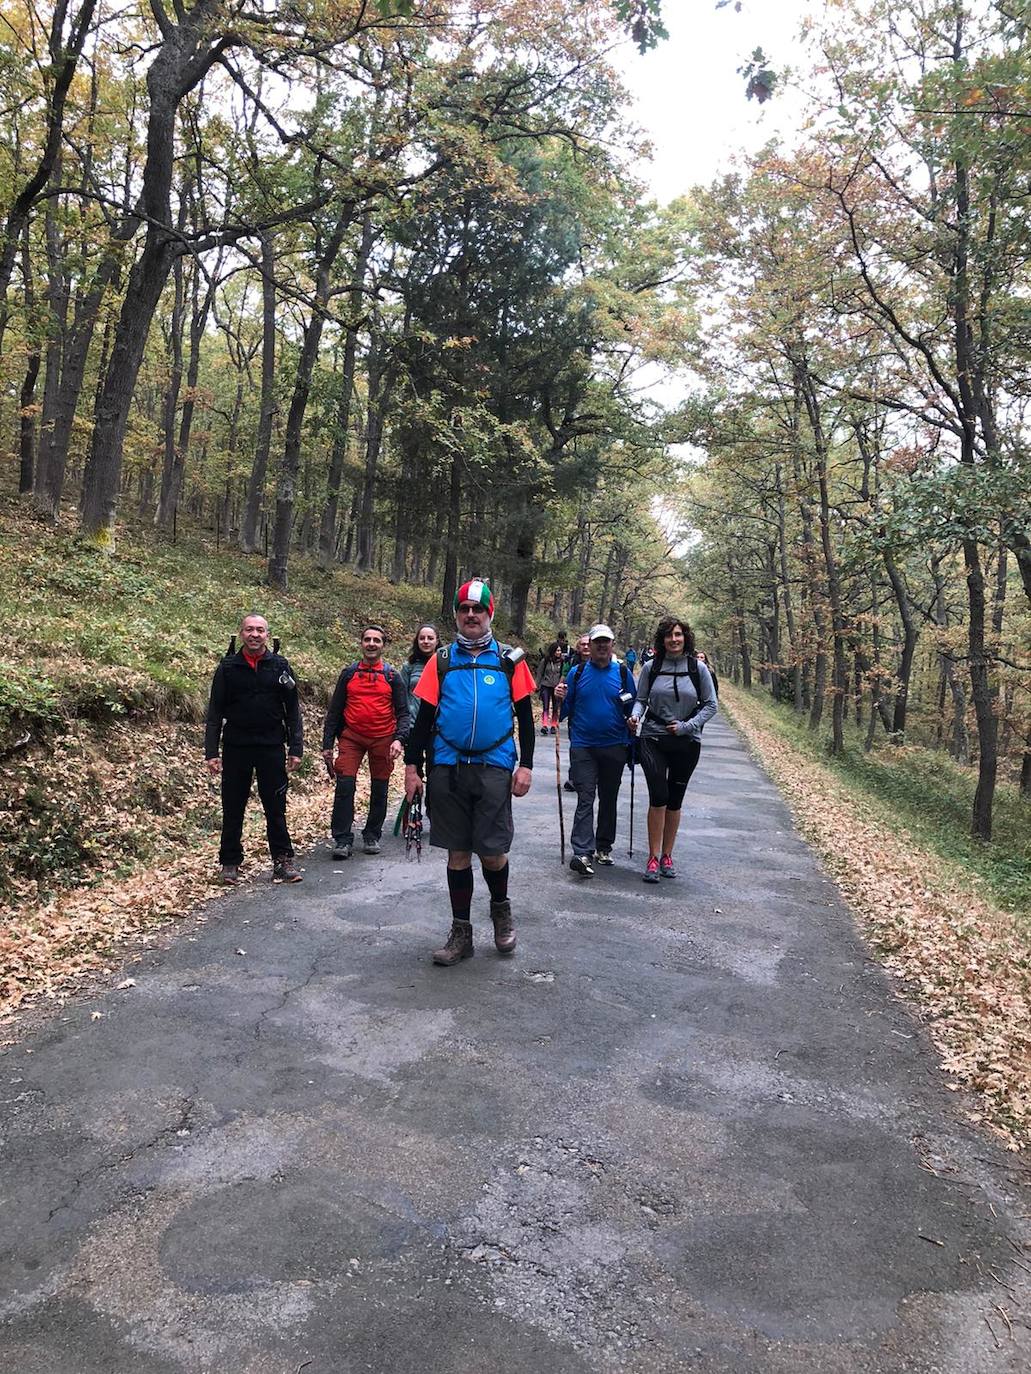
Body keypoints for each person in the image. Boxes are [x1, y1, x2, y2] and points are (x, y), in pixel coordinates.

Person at [404, 577, 536, 966]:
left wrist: (525, 765)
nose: (471, 615)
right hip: (448, 765)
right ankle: (461, 932)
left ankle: (501, 911)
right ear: (457, 615)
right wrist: (413, 769)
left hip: (495, 766)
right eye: (464, 609)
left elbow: (526, 721)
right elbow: (423, 721)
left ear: (489, 613)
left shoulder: (510, 661)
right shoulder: (440, 661)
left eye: (478, 609)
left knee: (493, 852)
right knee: (458, 853)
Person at [204, 612, 303, 885]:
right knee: (233, 805)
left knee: (275, 805)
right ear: (241, 633)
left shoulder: (280, 666)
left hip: (271, 746)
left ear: (267, 635)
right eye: (250, 630)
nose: (255, 635)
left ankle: (282, 861)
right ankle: (230, 862)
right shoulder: (227, 668)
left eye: (260, 630)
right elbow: (214, 713)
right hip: (237, 747)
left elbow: (293, 710)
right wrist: (211, 753)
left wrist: (296, 747)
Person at [629, 616, 717, 884]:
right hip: (653, 738)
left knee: (675, 799)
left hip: (687, 742)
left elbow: (711, 705)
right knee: (659, 796)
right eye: (669, 635)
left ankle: (668, 855)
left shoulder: (697, 669)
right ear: (662, 640)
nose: (674, 639)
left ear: (685, 637)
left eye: (678, 634)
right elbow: (640, 700)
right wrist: (634, 717)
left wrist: (687, 727)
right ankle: (653, 857)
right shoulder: (650, 668)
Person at [322, 624, 410, 860]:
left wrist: (399, 740)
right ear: (361, 643)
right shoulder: (349, 674)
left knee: (379, 788)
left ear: (383, 645)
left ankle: (372, 835)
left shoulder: (392, 676)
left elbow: (403, 713)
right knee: (345, 786)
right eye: (367, 640)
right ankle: (342, 839)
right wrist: (327, 745)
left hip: (383, 737)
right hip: (352, 737)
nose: (371, 644)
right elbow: (335, 711)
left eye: (377, 640)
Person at [554, 623, 635, 877]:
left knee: (608, 798)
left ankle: (603, 846)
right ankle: (582, 852)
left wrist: (633, 721)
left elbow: (634, 705)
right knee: (585, 797)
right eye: (597, 641)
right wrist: (559, 699)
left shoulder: (623, 673)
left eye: (605, 641)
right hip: (583, 746)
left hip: (614, 745)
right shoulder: (577, 673)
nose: (601, 646)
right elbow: (564, 712)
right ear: (591, 644)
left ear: (612, 644)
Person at [562, 632, 590, 792]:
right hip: (576, 715)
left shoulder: (603, 662)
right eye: (583, 644)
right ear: (578, 647)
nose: (585, 647)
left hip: (593, 716)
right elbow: (563, 677)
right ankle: (574, 777)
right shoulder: (572, 663)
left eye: (588, 644)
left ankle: (590, 775)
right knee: (576, 746)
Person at [400, 624, 440, 724]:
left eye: (430, 638)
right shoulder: (409, 666)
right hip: (412, 724)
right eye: (422, 638)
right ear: (417, 641)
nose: (426, 641)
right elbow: (401, 697)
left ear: (437, 641)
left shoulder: (445, 665)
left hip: (437, 725)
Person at [536, 641, 564, 735]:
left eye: (560, 650)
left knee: (556, 707)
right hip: (546, 685)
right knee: (546, 706)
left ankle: (553, 725)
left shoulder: (562, 661)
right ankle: (544, 725)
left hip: (556, 686)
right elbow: (540, 673)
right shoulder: (545, 661)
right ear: (553, 651)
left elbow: (563, 674)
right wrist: (537, 685)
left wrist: (562, 685)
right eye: (557, 650)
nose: (559, 652)